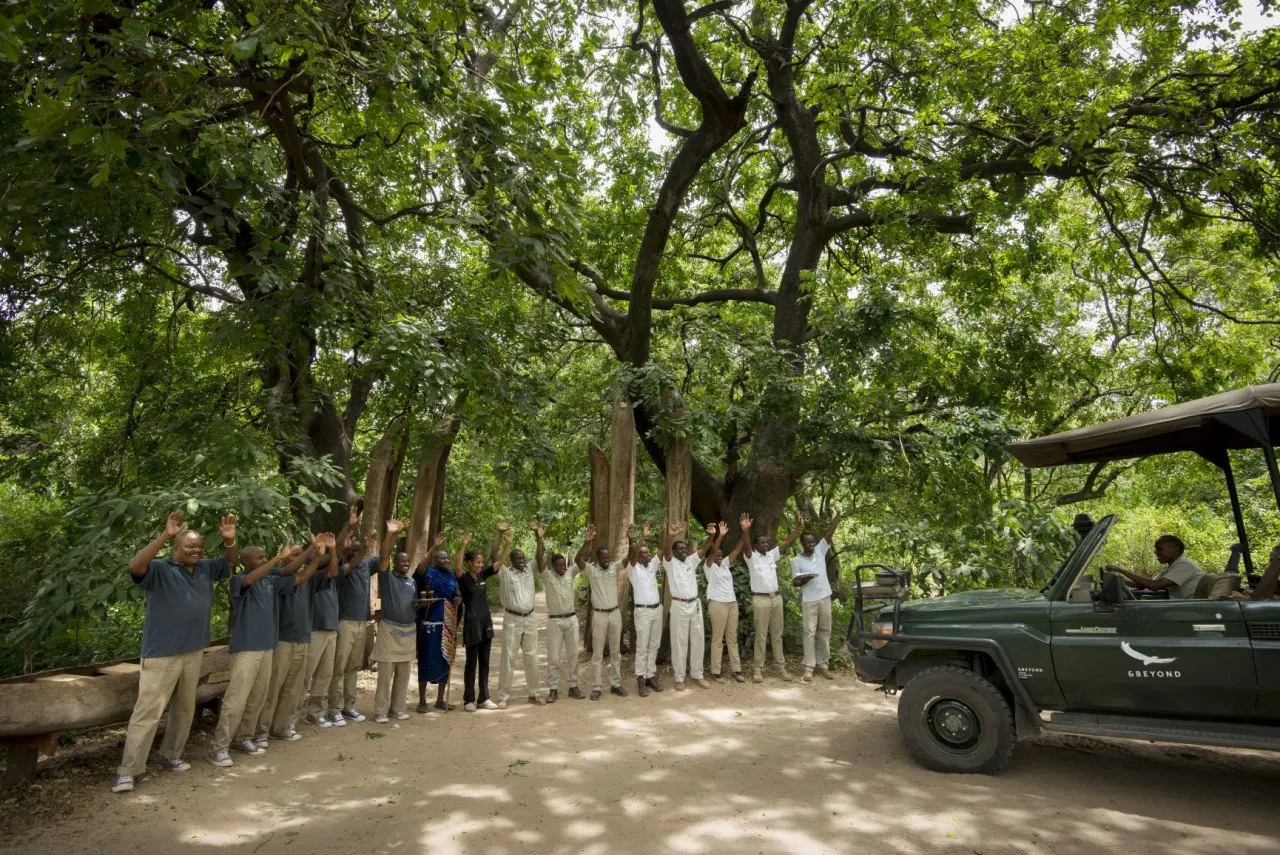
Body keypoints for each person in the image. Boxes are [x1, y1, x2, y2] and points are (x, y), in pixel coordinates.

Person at [112, 511, 238, 794]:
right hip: (162, 654)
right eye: (189, 546)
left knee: (184, 708)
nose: (195, 550)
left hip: (194, 651)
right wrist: (166, 534)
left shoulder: (205, 568)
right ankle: (128, 771)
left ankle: (170, 755)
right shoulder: (159, 569)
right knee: (148, 712)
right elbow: (135, 565)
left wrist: (230, 540)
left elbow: (231, 563)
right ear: (175, 549)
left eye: (199, 547)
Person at [208, 540, 295, 767]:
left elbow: (289, 570)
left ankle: (243, 738)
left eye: (266, 557)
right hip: (246, 649)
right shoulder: (239, 580)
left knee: (257, 697)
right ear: (245, 562)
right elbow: (248, 580)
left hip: (267, 648)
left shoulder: (270, 580)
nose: (265, 560)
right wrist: (277, 558)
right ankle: (219, 747)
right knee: (236, 699)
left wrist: (313, 552)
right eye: (260, 558)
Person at [254, 541, 330, 746]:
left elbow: (312, 572)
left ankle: (281, 728)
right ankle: (261, 731)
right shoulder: (277, 575)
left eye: (299, 555)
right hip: (282, 640)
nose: (297, 558)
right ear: (284, 556)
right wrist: (309, 551)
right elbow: (291, 569)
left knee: (293, 688)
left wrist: (318, 554)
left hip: (302, 639)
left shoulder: (307, 577)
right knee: (273, 687)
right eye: (293, 554)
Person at [740, 512, 802, 683]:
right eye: (762, 543)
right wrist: (745, 530)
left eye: (767, 542)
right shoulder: (751, 558)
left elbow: (786, 542)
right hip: (760, 600)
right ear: (755, 545)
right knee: (760, 635)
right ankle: (757, 669)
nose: (766, 545)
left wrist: (798, 527)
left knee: (777, 635)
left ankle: (780, 667)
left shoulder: (772, 555)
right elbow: (745, 546)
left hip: (776, 599)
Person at [454, 529, 506, 711]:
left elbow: (499, 564)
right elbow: (458, 567)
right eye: (477, 562)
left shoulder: (483, 576)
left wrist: (507, 544)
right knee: (471, 663)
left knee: (484, 663)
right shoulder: (464, 579)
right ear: (470, 563)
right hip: (471, 625)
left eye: (482, 562)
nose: (481, 565)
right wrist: (463, 544)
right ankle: (469, 699)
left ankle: (484, 697)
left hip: (486, 624)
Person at [533, 522, 584, 703]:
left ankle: (573, 686)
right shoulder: (547, 577)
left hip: (571, 620)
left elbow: (579, 560)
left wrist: (588, 541)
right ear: (553, 566)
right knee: (553, 657)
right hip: (555, 621)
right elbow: (540, 560)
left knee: (573, 655)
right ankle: (553, 689)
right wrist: (539, 538)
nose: (563, 567)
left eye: (564, 564)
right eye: (559, 565)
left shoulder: (571, 573)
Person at [661, 520, 715, 690]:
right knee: (679, 641)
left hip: (695, 605)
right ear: (675, 552)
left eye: (686, 548)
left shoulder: (691, 561)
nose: (684, 551)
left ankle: (698, 675)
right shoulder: (669, 563)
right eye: (680, 549)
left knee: (698, 640)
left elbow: (705, 549)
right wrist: (671, 536)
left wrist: (712, 535)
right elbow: (666, 551)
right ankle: (679, 678)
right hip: (678, 606)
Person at [494, 521, 544, 708]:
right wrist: (500, 534)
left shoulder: (530, 570)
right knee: (508, 657)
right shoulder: (505, 572)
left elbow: (539, 557)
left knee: (531, 656)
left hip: (530, 618)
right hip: (513, 619)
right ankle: (504, 696)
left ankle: (534, 693)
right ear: (511, 560)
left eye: (523, 558)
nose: (522, 560)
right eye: (518, 558)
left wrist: (538, 536)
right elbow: (494, 556)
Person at [372, 519, 417, 723]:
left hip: (409, 631)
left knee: (403, 673)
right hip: (389, 631)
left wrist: (419, 605)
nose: (405, 564)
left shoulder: (412, 581)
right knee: (385, 675)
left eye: (407, 562)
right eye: (401, 562)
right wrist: (391, 534)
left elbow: (410, 603)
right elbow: (383, 556)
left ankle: (397, 709)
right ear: (395, 563)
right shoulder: (387, 577)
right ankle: (381, 711)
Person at [790, 509, 842, 682]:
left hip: (824, 598)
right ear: (802, 544)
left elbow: (829, 534)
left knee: (824, 631)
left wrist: (837, 517)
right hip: (808, 601)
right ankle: (809, 668)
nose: (811, 545)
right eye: (808, 542)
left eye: (813, 542)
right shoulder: (796, 561)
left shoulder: (820, 551)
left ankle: (823, 665)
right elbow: (795, 582)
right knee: (809, 633)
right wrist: (807, 577)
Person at [332, 505, 372, 724]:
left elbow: (381, 557)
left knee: (353, 666)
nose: (360, 553)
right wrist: (348, 529)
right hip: (345, 622)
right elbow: (340, 553)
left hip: (360, 622)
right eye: (354, 549)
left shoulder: (363, 567)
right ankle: (335, 707)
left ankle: (349, 705)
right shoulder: (340, 567)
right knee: (339, 666)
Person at [578, 523, 628, 700]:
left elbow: (629, 560)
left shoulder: (614, 567)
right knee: (597, 653)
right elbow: (578, 560)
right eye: (604, 557)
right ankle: (597, 687)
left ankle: (615, 684)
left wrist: (631, 539)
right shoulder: (591, 570)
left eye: (608, 557)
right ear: (597, 558)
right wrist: (587, 542)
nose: (607, 560)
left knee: (616, 652)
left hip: (614, 613)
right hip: (598, 614)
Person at [300, 529, 341, 729]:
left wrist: (333, 549)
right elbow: (331, 567)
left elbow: (335, 566)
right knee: (305, 675)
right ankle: (291, 715)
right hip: (314, 630)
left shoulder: (330, 577)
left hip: (331, 630)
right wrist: (322, 551)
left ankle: (315, 713)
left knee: (325, 674)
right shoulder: (311, 575)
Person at [414, 533, 457, 713]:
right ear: (436, 560)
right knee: (426, 660)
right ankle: (422, 701)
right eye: (442, 558)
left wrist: (458, 599)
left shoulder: (451, 576)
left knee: (445, 660)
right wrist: (434, 547)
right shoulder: (431, 573)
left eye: (447, 558)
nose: (446, 560)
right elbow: (420, 566)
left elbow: (456, 594)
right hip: (431, 623)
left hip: (447, 624)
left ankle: (440, 700)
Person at [704, 521, 746, 683]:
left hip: (731, 604)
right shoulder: (708, 568)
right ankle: (716, 671)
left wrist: (745, 533)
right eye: (717, 556)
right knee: (717, 638)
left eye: (722, 556)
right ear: (711, 558)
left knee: (732, 638)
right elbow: (714, 550)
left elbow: (737, 550)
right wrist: (719, 535)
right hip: (717, 604)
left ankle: (736, 670)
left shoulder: (725, 566)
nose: (720, 558)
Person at [626, 521, 662, 697]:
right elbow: (632, 556)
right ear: (638, 556)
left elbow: (662, 552)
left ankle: (650, 675)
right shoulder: (633, 569)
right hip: (642, 612)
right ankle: (640, 678)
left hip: (657, 610)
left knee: (654, 644)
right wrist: (641, 537)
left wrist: (667, 532)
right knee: (642, 646)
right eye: (644, 553)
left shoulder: (652, 568)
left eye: (649, 553)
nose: (648, 555)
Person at [1108, 535, 1206, 599]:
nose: (1156, 552)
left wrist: (1120, 569)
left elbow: (1154, 585)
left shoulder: (1186, 565)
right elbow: (1143, 584)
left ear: (1175, 549)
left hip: (1189, 608)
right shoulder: (1171, 568)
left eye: (1160, 549)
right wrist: (1119, 579)